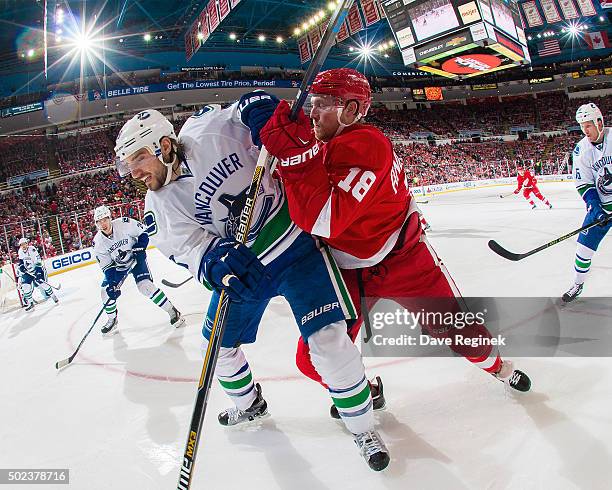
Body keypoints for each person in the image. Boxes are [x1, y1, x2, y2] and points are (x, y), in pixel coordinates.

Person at [113, 101, 390, 471]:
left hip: (292, 245)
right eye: (128, 164)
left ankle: (362, 428)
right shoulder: (157, 206)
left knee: (327, 342)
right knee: (217, 350)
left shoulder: (206, 130)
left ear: (165, 145)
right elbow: (190, 249)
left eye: (139, 158)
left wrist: (261, 110)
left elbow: (248, 106)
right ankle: (250, 405)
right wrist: (213, 263)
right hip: (243, 273)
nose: (134, 172)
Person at [259, 68, 532, 403]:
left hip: (404, 260)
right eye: (313, 102)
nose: (313, 111)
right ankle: (362, 392)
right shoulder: (324, 142)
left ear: (352, 110)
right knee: (313, 358)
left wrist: (295, 159)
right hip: (343, 269)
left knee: (462, 333)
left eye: (324, 103)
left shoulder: (366, 144)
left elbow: (323, 219)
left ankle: (499, 367)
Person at [92, 205, 184, 335]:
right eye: (99, 221)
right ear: (96, 223)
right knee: (105, 292)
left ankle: (172, 311)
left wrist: (140, 247)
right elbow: (108, 267)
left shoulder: (124, 223)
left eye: (105, 219)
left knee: (145, 286)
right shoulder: (98, 242)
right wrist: (113, 284)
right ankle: (112, 320)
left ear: (110, 218)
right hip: (118, 267)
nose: (103, 223)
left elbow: (144, 232)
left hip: (136, 259)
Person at [562, 102, 612, 303]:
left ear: (599, 122)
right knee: (583, 249)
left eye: (588, 125)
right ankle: (577, 284)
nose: (585, 130)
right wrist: (595, 207)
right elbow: (583, 183)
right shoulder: (580, 150)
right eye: (582, 126)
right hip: (601, 208)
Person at [17, 237, 58, 310]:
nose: (23, 246)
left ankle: (53, 296)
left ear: (27, 244)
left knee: (42, 284)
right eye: (21, 245)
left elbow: (38, 260)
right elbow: (21, 261)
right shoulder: (20, 251)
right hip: (28, 272)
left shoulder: (32, 249)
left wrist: (38, 272)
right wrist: (21, 266)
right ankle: (31, 303)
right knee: (25, 286)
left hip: (36, 269)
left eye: (24, 244)